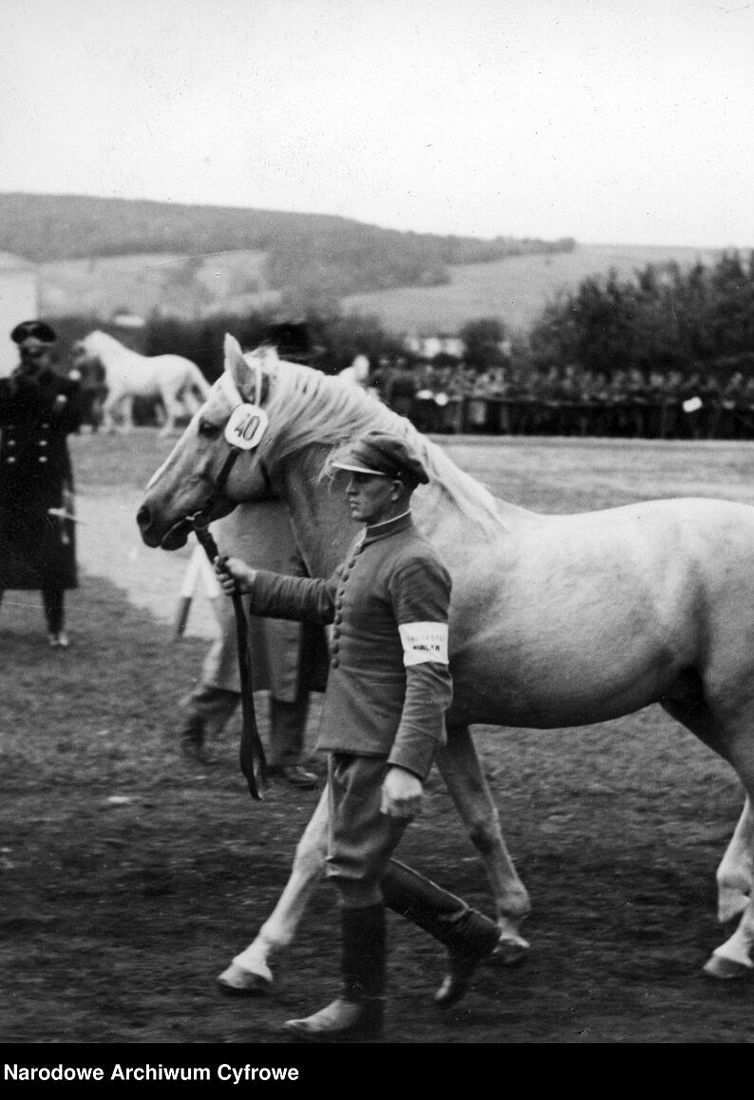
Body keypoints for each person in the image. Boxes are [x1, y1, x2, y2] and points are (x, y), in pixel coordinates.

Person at [215, 429, 500, 1042]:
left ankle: (360, 1005)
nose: (346, 490)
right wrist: (254, 582)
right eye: (345, 478)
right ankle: (467, 931)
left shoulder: (416, 564)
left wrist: (407, 764)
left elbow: (430, 675)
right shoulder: (370, 547)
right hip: (349, 734)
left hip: (381, 739)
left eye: (360, 481)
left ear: (396, 489)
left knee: (353, 868)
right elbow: (333, 599)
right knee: (353, 861)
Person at [176, 321, 330, 789]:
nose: (299, 369)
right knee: (246, 645)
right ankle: (199, 720)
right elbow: (238, 469)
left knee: (298, 653)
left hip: (303, 535)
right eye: (293, 360)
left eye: (305, 362)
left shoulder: (315, 403)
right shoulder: (246, 409)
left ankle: (286, 754)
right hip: (256, 533)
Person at [0, 321, 85, 647]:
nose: (31, 357)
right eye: (25, 351)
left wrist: (36, 389)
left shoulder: (67, 388)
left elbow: (73, 422)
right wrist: (17, 388)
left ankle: (56, 627)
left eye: (37, 352)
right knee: (3, 552)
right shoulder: (7, 386)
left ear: (50, 354)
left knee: (53, 556)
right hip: (9, 480)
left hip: (49, 480)